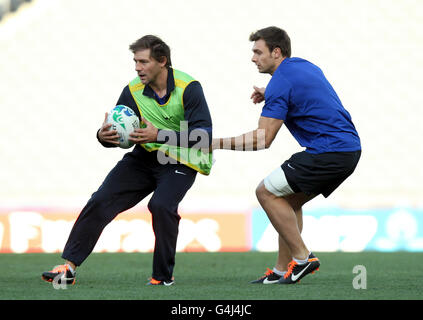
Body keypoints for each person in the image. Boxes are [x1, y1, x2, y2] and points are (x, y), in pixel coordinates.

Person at [42, 35, 213, 286]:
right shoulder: (132, 90)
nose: (137, 67)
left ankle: (162, 277)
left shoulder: (189, 87)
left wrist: (160, 134)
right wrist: (103, 136)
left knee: (161, 205)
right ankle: (67, 267)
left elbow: (204, 137)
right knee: (100, 199)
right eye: (135, 61)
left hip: (181, 159)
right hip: (145, 157)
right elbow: (121, 135)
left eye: (143, 62)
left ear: (162, 61)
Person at [212, 26, 361, 284]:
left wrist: (214, 143)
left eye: (258, 52)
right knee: (289, 201)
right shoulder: (303, 66)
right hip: (348, 149)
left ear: (276, 52)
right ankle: (282, 270)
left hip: (329, 150)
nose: (253, 58)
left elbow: (262, 139)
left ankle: (303, 258)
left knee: (265, 192)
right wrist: (270, 93)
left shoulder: (280, 83)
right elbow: (302, 89)